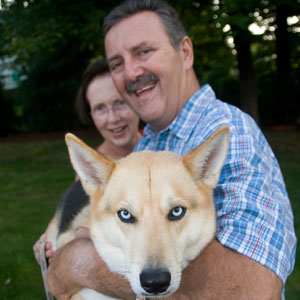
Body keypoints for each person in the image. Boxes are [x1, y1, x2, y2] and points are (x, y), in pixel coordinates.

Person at [46, 1, 297, 299]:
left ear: (186, 53)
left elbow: (254, 289)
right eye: (117, 64)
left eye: (143, 52)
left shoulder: (228, 131)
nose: (131, 72)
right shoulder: (150, 142)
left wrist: (80, 262)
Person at [33, 58, 141, 263]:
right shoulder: (92, 170)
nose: (113, 118)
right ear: (90, 114)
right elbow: (73, 218)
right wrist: (49, 237)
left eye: (119, 102)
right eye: (100, 108)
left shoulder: (161, 148)